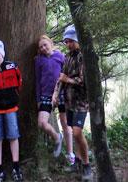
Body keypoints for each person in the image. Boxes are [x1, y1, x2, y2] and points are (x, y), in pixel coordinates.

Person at [53, 25, 93, 182]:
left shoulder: (83, 57)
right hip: (69, 101)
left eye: (70, 41)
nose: (68, 44)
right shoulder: (67, 57)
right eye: (66, 42)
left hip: (81, 101)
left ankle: (87, 165)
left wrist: (67, 79)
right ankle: (77, 162)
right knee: (74, 132)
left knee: (77, 132)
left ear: (77, 40)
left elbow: (83, 81)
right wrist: (56, 94)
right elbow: (61, 77)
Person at [0, 40, 23, 182]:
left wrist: (14, 95)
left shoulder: (12, 66)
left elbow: (19, 82)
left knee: (13, 136)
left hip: (11, 108)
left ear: (2, 53)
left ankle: (16, 167)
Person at [35, 35, 74, 163]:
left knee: (66, 124)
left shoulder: (60, 57)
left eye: (45, 45)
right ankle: (57, 138)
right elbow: (37, 80)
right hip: (46, 95)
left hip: (61, 93)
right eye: (41, 47)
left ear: (51, 43)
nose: (43, 48)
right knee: (42, 123)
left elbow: (66, 74)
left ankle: (70, 155)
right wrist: (38, 99)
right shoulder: (39, 60)